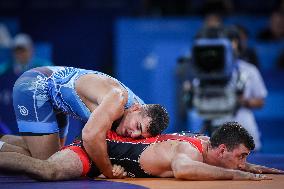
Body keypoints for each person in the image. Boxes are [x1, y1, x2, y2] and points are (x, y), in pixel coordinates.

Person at [0, 65, 169, 179]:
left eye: (140, 134)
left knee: (53, 152)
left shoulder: (141, 113)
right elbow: (89, 136)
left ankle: (2, 142)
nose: (134, 134)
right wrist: (108, 171)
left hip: (54, 94)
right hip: (35, 86)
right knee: (47, 161)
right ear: (135, 108)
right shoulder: (118, 99)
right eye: (137, 127)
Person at [0, 122, 282, 181]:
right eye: (242, 156)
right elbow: (183, 170)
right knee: (48, 169)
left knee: (44, 153)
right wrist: (237, 176)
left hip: (108, 148)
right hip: (95, 153)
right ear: (221, 149)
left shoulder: (208, 141)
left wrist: (242, 165)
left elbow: (227, 158)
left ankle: (3, 143)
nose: (243, 162)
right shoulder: (190, 151)